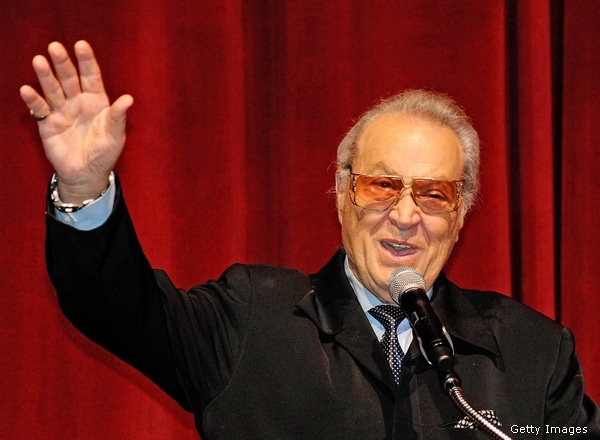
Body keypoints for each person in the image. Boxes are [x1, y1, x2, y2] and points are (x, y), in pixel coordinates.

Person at [21, 41, 600, 440]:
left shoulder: (533, 352)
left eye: (432, 195)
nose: (405, 216)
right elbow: (116, 307)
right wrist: (84, 187)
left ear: (460, 213)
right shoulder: (251, 319)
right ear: (343, 194)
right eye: (381, 186)